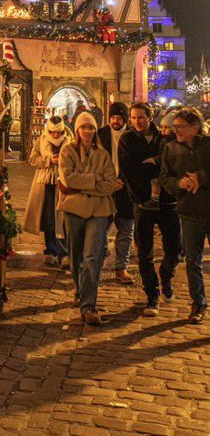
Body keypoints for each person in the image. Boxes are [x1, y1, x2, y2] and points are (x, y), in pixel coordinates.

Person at [118, 102, 181, 316]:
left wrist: (153, 163)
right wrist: (152, 171)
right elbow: (129, 170)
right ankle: (152, 294)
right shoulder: (127, 140)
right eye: (134, 118)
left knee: (174, 248)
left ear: (149, 117)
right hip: (142, 201)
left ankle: (166, 275)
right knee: (144, 253)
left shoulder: (163, 137)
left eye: (141, 117)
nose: (137, 122)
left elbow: (173, 163)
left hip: (167, 201)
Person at [58, 111, 117, 326]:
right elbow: (67, 177)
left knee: (92, 257)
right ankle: (80, 289)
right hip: (73, 210)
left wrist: (81, 185)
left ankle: (88, 306)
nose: (88, 132)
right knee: (75, 257)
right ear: (77, 129)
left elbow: (110, 184)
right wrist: (95, 179)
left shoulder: (102, 154)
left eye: (91, 128)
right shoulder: (67, 151)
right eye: (84, 127)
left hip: (99, 211)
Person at [158, 107, 210, 324]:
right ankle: (198, 303)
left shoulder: (208, 146)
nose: (176, 130)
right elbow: (164, 178)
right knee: (192, 261)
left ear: (195, 127)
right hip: (189, 212)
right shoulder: (170, 149)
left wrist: (201, 178)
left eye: (181, 127)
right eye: (175, 126)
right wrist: (178, 183)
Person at [24, 116, 73, 266]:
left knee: (63, 219)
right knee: (48, 219)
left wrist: (63, 161)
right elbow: (32, 159)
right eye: (53, 132)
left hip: (64, 183)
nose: (56, 136)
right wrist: (47, 160)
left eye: (58, 132)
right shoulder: (41, 140)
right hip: (45, 183)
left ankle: (64, 252)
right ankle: (51, 251)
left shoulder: (70, 140)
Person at [98, 102, 134, 284]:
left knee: (126, 230)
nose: (115, 121)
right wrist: (108, 182)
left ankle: (122, 267)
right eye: (113, 118)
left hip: (126, 191)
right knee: (101, 227)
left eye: (119, 118)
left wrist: (124, 182)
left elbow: (137, 164)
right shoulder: (101, 134)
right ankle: (99, 260)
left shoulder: (133, 136)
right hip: (105, 190)